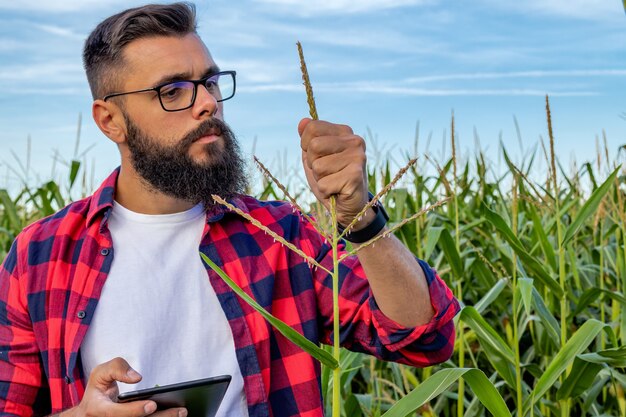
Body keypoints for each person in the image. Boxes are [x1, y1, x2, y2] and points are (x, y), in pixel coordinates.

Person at [0, 3, 459, 417]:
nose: (208, 103)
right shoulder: (40, 256)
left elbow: (423, 336)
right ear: (109, 120)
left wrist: (360, 216)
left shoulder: (279, 236)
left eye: (210, 82)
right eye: (173, 90)